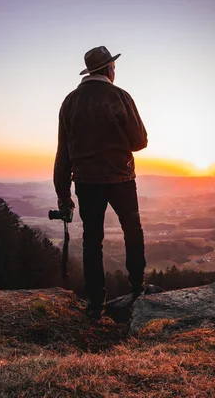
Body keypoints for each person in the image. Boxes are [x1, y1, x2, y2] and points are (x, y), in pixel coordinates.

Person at [54, 46, 148, 319]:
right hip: (121, 179)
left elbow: (63, 153)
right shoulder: (120, 97)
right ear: (109, 69)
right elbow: (140, 142)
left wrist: (63, 193)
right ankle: (137, 285)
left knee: (92, 240)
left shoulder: (70, 102)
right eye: (113, 68)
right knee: (132, 229)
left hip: (86, 182)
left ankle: (96, 301)